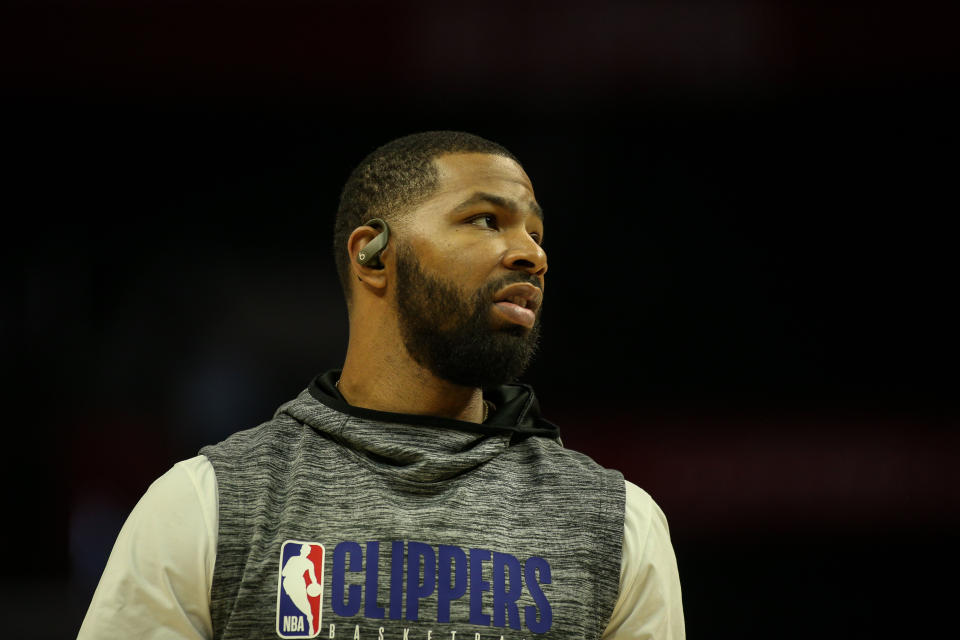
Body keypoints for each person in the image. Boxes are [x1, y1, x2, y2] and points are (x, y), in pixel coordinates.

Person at [78, 131, 685, 639]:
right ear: (372, 255)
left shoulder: (616, 523)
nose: (532, 254)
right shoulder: (206, 503)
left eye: (536, 233)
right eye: (485, 220)